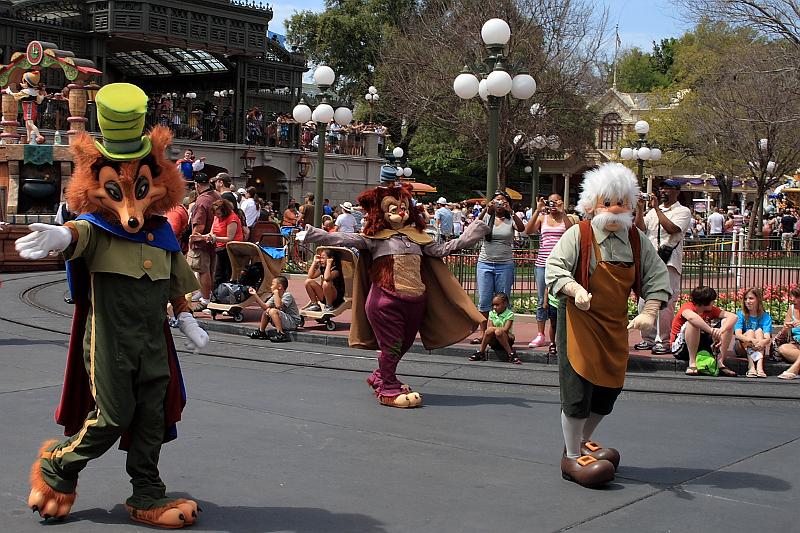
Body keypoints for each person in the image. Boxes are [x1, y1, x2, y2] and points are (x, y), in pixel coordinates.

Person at [296, 165, 490, 408]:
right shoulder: (374, 240)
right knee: (393, 344)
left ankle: (380, 376)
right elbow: (343, 239)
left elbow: (444, 249)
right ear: (382, 213)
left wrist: (473, 232)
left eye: (403, 208)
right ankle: (388, 387)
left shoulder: (418, 238)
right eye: (393, 209)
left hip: (415, 301)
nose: (400, 212)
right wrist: (313, 234)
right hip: (386, 300)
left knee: (404, 343)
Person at [546, 163, 671, 488]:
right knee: (577, 392)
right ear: (591, 205)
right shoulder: (580, 234)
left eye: (621, 203)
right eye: (607, 203)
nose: (614, 209)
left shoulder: (636, 239)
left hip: (615, 326)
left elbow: (656, 275)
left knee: (608, 391)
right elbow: (555, 267)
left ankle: (578, 442)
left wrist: (650, 309)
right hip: (579, 324)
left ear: (630, 206)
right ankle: (572, 457)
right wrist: (575, 290)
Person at [634, 179, 692, 355]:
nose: (663, 191)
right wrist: (640, 208)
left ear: (677, 191)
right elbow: (640, 228)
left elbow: (673, 229)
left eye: (667, 189)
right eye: (662, 188)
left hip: (668, 263)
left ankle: (663, 340)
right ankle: (648, 338)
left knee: (664, 303)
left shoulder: (683, 211)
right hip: (649, 262)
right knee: (644, 302)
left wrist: (658, 209)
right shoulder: (651, 212)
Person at [468, 191, 525, 344]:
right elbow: (474, 227)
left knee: (503, 299)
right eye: (497, 200)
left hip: (504, 264)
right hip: (485, 262)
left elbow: (521, 228)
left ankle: (504, 332)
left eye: (502, 201)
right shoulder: (487, 216)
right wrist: (485, 210)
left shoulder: (510, 218)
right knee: (484, 299)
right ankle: (484, 333)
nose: (499, 203)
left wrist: (511, 212)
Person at [524, 193, 572, 350]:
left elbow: (572, 233)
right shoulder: (542, 217)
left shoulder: (564, 219)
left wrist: (563, 211)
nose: (552, 205)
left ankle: (560, 335)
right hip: (542, 264)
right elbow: (528, 231)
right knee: (541, 300)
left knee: (560, 299)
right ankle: (540, 334)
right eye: (550, 202)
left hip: (560, 265)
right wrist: (537, 211)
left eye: (555, 202)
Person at [670, 285, 737, 376]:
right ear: (706, 301)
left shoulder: (711, 310)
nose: (714, 303)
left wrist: (721, 331)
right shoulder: (688, 307)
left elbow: (733, 316)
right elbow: (691, 317)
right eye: (712, 301)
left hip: (702, 346)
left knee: (727, 323)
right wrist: (711, 331)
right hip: (682, 348)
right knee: (692, 323)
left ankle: (719, 361)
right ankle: (692, 363)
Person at [188, 172, 221, 311]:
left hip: (202, 240)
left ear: (197, 185)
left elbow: (199, 225)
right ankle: (206, 295)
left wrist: (193, 237)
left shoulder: (202, 201)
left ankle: (205, 299)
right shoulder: (216, 195)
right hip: (213, 239)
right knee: (209, 270)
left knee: (203, 270)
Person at [468, 292, 520, 364]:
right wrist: (493, 329)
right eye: (493, 305)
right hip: (494, 341)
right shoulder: (492, 313)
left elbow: (505, 329)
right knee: (489, 331)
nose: (495, 307)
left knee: (498, 332)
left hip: (506, 339)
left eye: (497, 305)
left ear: (505, 304)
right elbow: (489, 327)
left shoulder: (509, 314)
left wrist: (494, 329)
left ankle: (510, 354)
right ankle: (481, 352)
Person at [247, 276, 301, 342]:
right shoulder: (274, 296)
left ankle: (281, 334)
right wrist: (255, 295)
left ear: (279, 287)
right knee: (266, 311)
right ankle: (261, 331)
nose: (271, 286)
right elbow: (265, 306)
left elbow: (278, 306)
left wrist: (276, 292)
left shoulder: (287, 295)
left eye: (273, 284)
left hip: (292, 322)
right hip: (284, 320)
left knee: (273, 311)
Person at [734, 288, 772, 378]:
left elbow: (767, 337)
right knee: (750, 331)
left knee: (759, 331)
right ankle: (751, 366)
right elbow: (738, 334)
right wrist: (752, 340)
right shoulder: (740, 314)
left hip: (758, 346)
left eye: (751, 298)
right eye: (746, 299)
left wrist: (762, 342)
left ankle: (759, 366)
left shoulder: (766, 316)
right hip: (741, 346)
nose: (747, 301)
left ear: (758, 300)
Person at [210, 199, 243, 290]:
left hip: (231, 248)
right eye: (215, 214)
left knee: (222, 273)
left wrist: (214, 238)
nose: (217, 216)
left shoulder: (232, 218)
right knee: (218, 273)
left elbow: (229, 238)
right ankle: (217, 293)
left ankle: (223, 293)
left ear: (225, 211)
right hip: (220, 247)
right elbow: (212, 233)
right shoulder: (216, 217)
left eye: (219, 214)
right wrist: (201, 237)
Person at [777, 287, 800, 379]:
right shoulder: (791, 309)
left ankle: (793, 370)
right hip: (796, 344)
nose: (793, 299)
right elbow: (784, 332)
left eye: (796, 297)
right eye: (792, 296)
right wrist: (786, 328)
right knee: (783, 348)